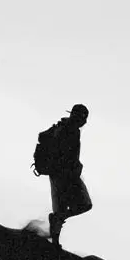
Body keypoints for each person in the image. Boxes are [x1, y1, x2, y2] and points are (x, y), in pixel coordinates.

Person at [32, 103, 93, 247]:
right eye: (83, 118)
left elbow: (43, 137)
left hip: (58, 174)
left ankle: (55, 240)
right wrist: (75, 169)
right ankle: (56, 234)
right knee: (84, 204)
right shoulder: (68, 130)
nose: (84, 121)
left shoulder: (61, 126)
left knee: (61, 209)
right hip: (65, 175)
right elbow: (67, 156)